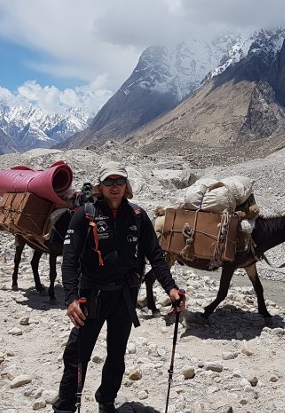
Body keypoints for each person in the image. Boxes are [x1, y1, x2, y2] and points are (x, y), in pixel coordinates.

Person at [53, 161, 186, 413]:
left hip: (124, 296)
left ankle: (106, 401)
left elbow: (156, 256)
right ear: (100, 186)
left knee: (116, 355)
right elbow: (69, 260)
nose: (115, 186)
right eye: (109, 182)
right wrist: (71, 298)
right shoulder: (85, 215)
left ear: (126, 186)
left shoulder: (137, 215)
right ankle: (66, 406)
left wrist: (171, 289)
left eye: (120, 181)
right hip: (90, 296)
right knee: (76, 355)